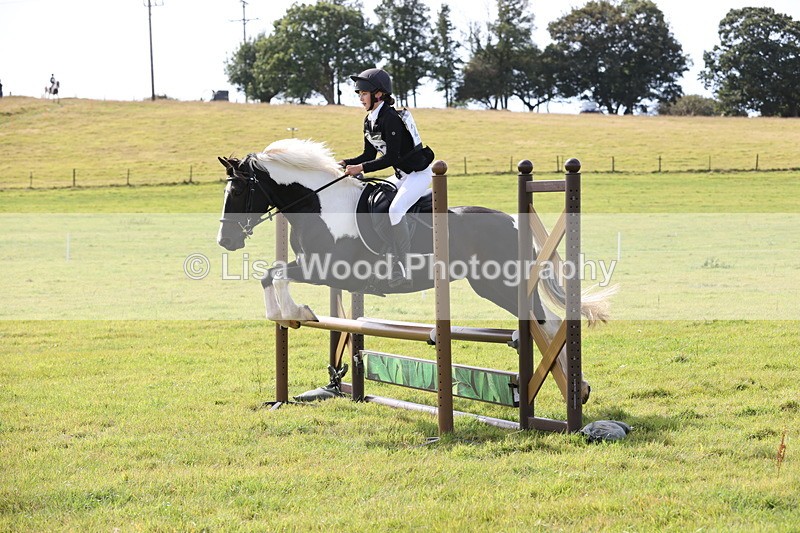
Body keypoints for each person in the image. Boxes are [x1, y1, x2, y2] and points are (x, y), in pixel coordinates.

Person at [339, 68, 434, 288]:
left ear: (378, 94)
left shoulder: (390, 118)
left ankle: (403, 264)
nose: (360, 98)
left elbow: (391, 157)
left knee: (395, 210)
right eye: (358, 94)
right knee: (374, 201)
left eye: (363, 93)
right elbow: (368, 155)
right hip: (401, 175)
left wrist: (361, 167)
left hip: (418, 174)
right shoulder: (369, 120)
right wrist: (345, 163)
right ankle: (385, 252)